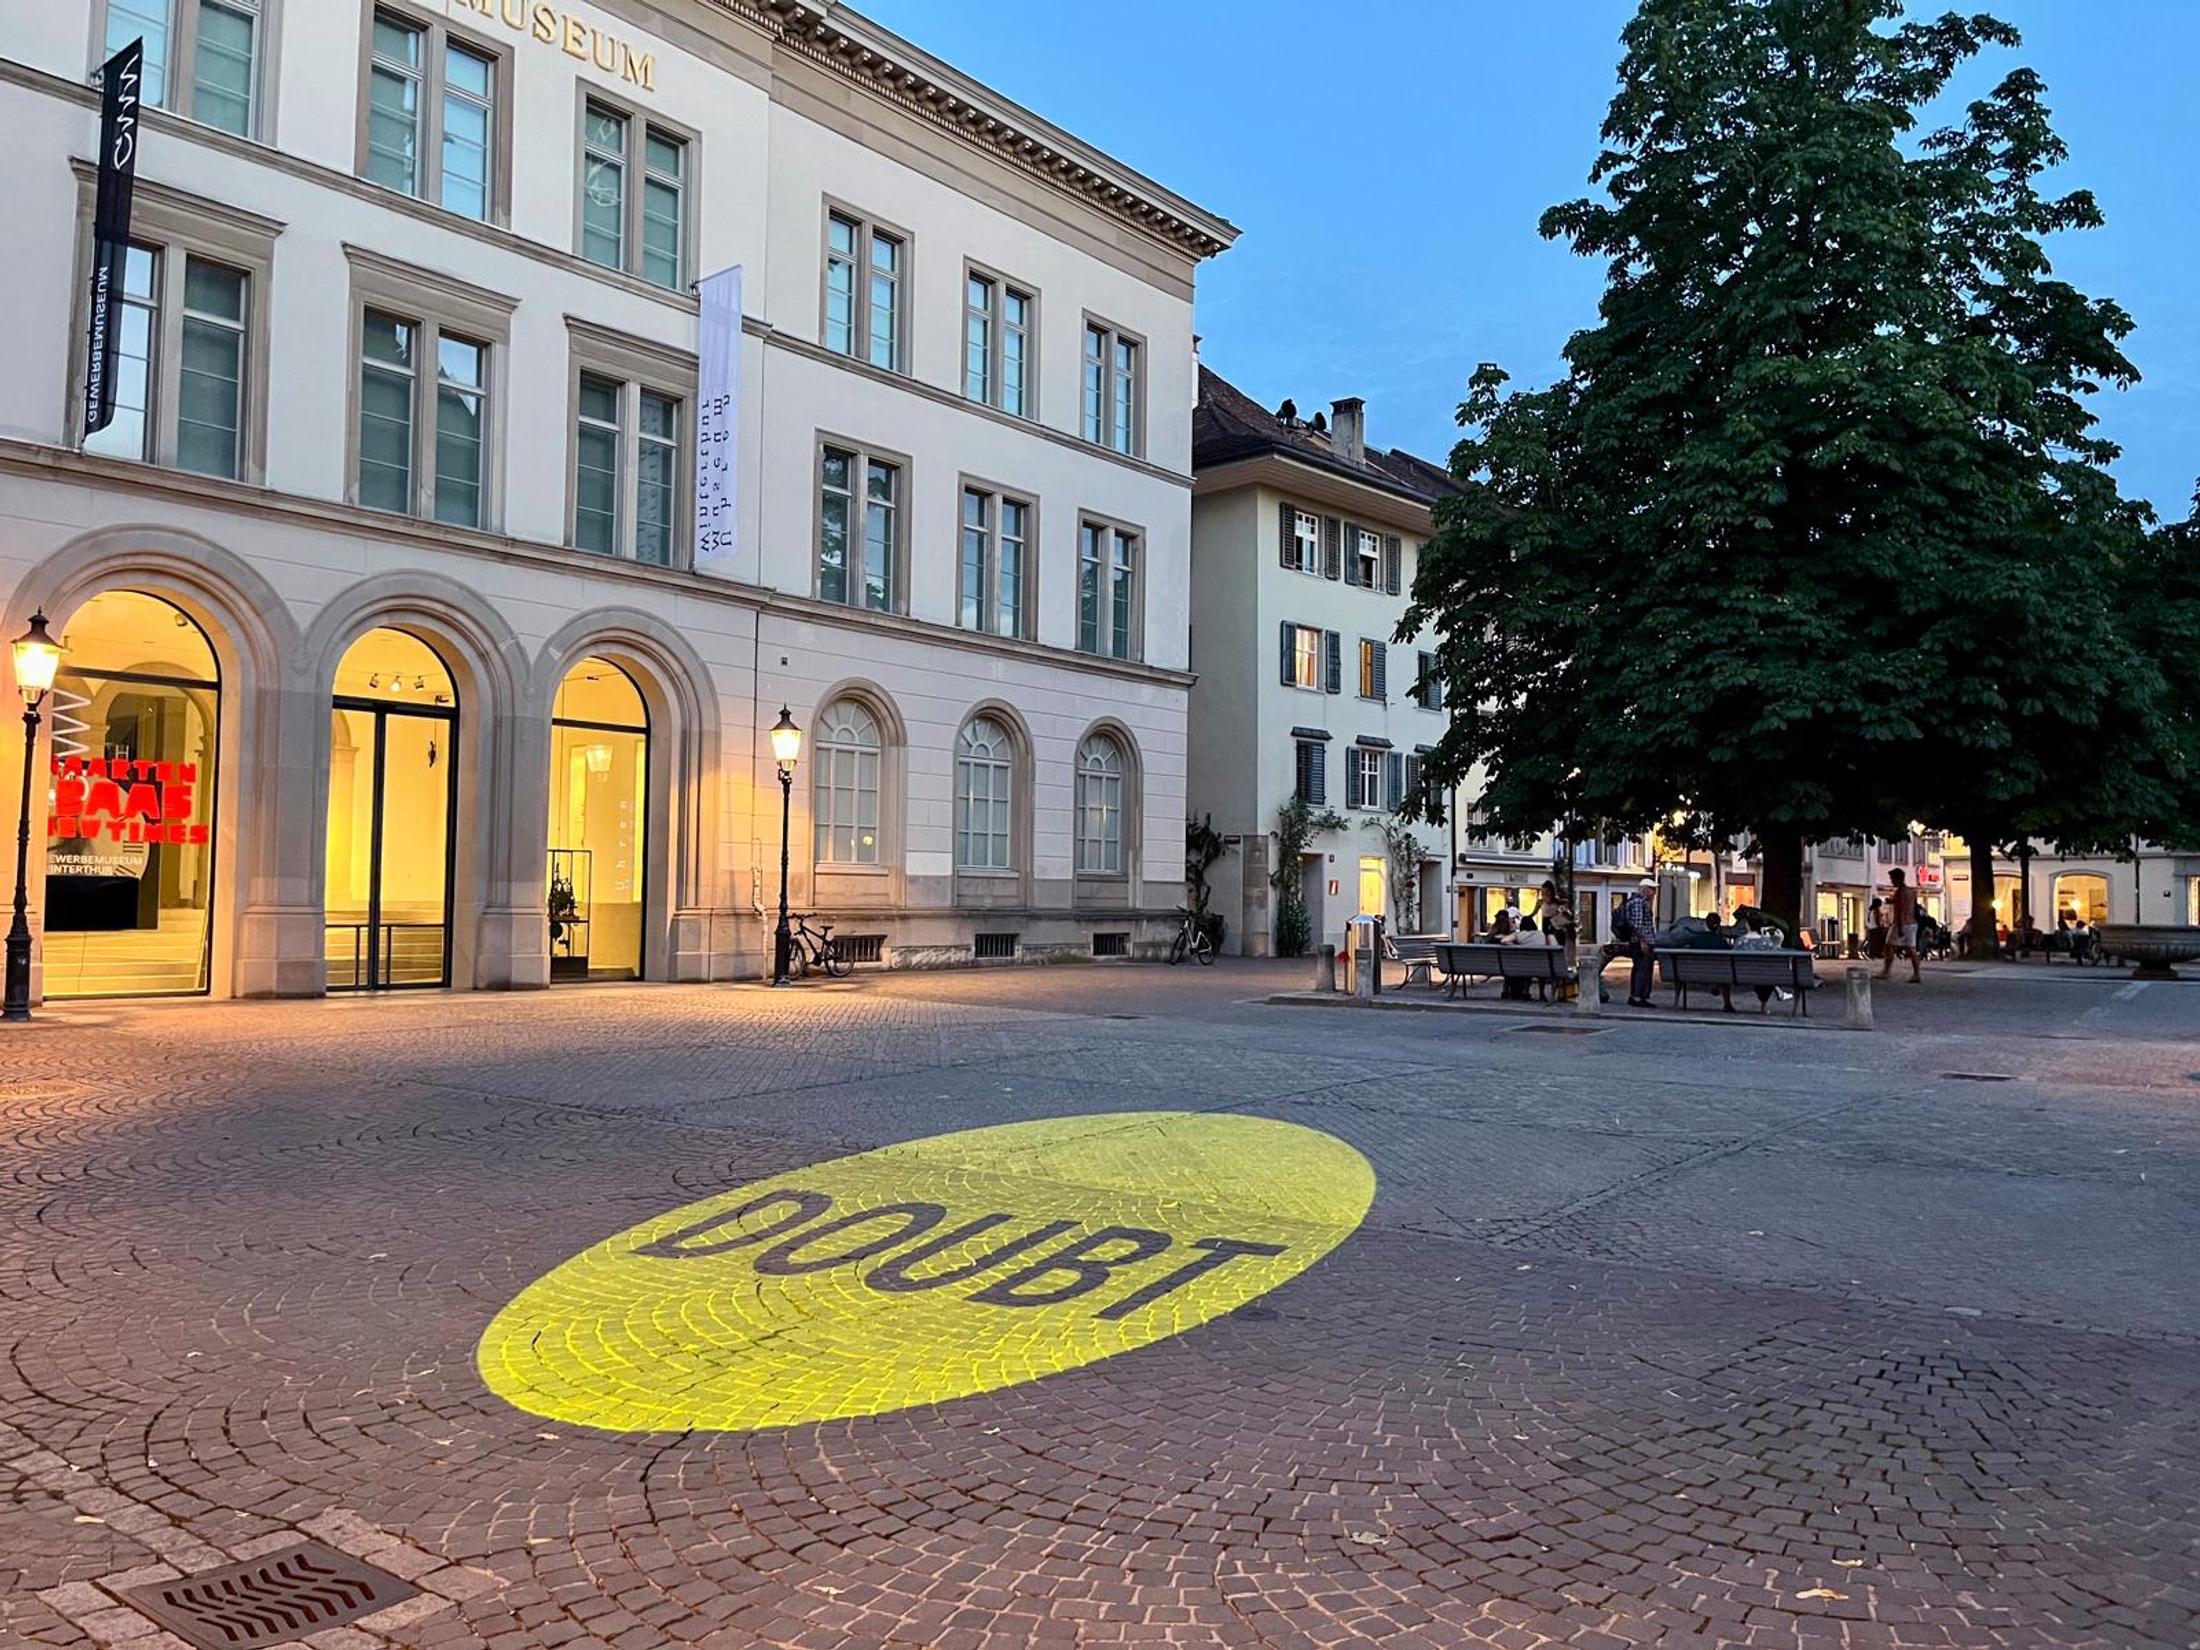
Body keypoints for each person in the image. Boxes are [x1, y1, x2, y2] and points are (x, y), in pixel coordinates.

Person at [1617, 877, 1657, 1007]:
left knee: (1641, 968)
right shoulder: (1639, 903)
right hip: (1642, 941)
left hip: (1641, 940)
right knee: (1642, 968)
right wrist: (1642, 941)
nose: (1654, 892)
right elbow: (1637, 924)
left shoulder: (1637, 901)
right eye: (1652, 889)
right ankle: (1637, 996)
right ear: (1645, 889)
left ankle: (1638, 995)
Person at [1881, 867, 1923, 983]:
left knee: (1889, 945)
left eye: (1892, 879)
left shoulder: (1899, 892)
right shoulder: (1911, 891)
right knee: (1911, 949)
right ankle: (1917, 974)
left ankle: (1886, 971)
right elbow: (1912, 907)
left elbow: (1900, 910)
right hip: (1912, 923)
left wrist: (1899, 927)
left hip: (1902, 923)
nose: (1891, 881)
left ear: (1897, 879)